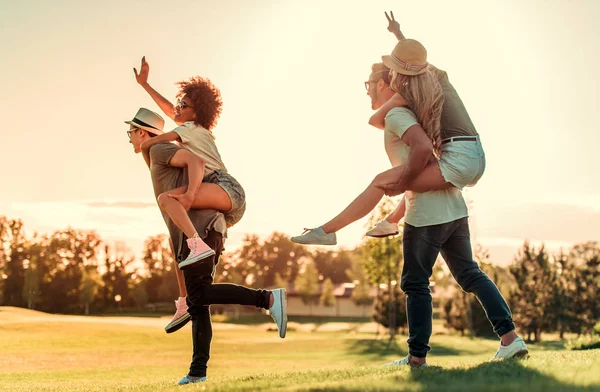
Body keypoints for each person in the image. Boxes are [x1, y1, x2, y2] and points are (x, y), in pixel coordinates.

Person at [291, 14, 485, 246]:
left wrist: (403, 182)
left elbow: (375, 120)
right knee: (416, 171)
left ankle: (327, 230)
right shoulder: (437, 78)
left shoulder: (407, 95)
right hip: (473, 154)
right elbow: (413, 53)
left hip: (459, 158)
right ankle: (390, 221)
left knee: (384, 180)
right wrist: (397, 32)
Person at [125, 108, 287, 384]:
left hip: (201, 231)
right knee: (197, 303)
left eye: (131, 132)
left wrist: (188, 198)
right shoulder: (155, 156)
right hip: (197, 233)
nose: (128, 138)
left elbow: (196, 161)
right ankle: (197, 373)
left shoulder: (160, 149)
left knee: (199, 295)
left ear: (142, 132)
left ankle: (268, 298)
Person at [133, 57, 246, 268]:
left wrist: (145, 145)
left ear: (195, 112)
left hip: (224, 186)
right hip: (226, 195)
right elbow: (169, 110)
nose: (178, 107)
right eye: (179, 103)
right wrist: (145, 84)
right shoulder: (194, 128)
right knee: (177, 208)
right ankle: (188, 294)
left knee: (168, 199)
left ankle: (198, 247)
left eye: (183, 105)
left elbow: (162, 138)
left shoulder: (188, 130)